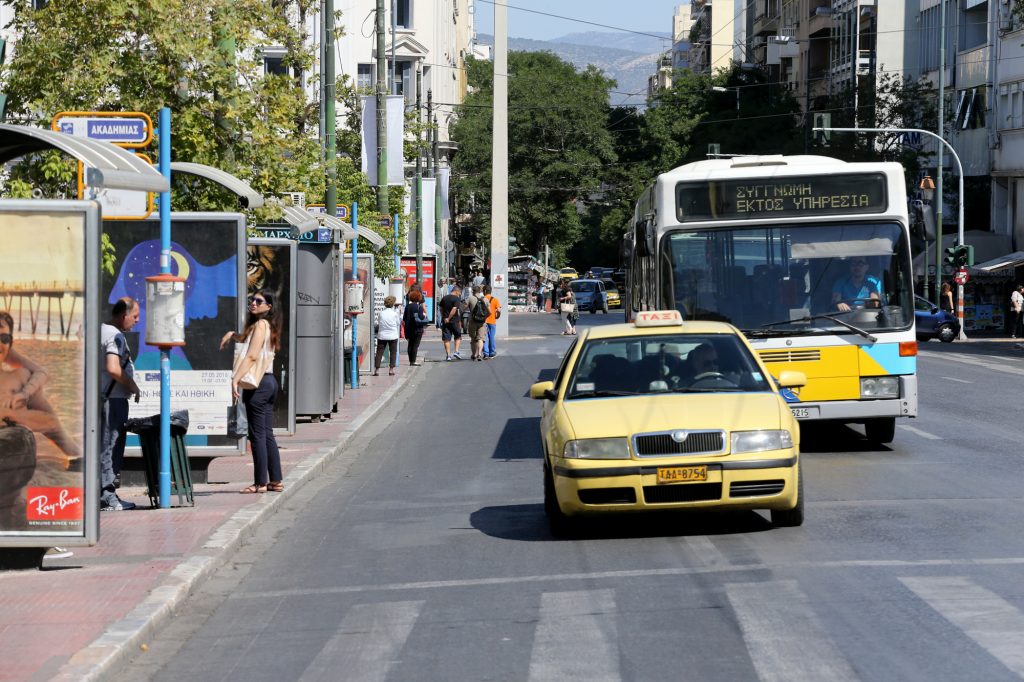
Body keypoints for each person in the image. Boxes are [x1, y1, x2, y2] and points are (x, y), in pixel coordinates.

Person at [221, 289, 283, 494]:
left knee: (257, 436)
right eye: (252, 300)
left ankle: (260, 483)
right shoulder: (267, 326)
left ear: (269, 306)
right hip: (268, 381)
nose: (253, 303)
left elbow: (252, 356)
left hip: (257, 385)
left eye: (259, 301)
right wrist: (233, 335)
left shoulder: (260, 325)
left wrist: (235, 379)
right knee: (267, 434)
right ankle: (275, 480)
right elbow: (249, 342)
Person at [99, 297, 141, 511]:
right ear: (124, 315)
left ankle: (102, 494)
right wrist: (133, 385)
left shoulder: (101, 330)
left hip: (104, 398)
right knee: (111, 447)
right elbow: (113, 368)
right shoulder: (114, 335)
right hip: (113, 400)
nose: (137, 321)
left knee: (103, 447)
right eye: (135, 316)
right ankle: (107, 497)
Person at [373, 295, 401, 376]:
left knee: (379, 352)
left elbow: (379, 322)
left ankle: (377, 370)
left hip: (382, 335)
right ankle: (391, 370)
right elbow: (398, 323)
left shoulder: (381, 313)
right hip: (393, 335)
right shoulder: (394, 314)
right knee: (392, 352)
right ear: (392, 304)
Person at [403, 290, 429, 365]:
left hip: (408, 328)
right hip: (417, 329)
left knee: (410, 345)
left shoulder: (407, 307)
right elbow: (421, 317)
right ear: (418, 298)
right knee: (415, 345)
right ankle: (413, 361)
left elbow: (404, 318)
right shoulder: (418, 307)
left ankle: (411, 360)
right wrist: (424, 315)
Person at [439, 284, 463, 361]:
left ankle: (448, 355)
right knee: (458, 336)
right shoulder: (456, 299)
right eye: (459, 293)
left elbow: (441, 309)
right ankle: (456, 351)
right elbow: (454, 309)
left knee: (446, 338)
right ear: (456, 291)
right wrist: (449, 318)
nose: (459, 294)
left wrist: (444, 317)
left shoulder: (444, 298)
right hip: (454, 320)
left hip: (445, 322)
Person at [466, 285, 488, 361]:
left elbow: (464, 307)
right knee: (481, 338)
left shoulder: (470, 298)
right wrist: (484, 317)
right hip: (482, 322)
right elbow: (490, 312)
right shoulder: (485, 299)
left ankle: (474, 354)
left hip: (472, 321)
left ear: (472, 291)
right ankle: (479, 354)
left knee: (473, 338)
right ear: (480, 291)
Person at [483, 285, 501, 359]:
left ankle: (486, 353)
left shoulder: (482, 299)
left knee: (485, 337)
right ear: (491, 291)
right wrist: (497, 316)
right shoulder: (495, 300)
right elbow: (499, 310)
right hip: (492, 321)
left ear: (484, 291)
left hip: (483, 321)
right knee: (491, 336)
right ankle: (492, 352)